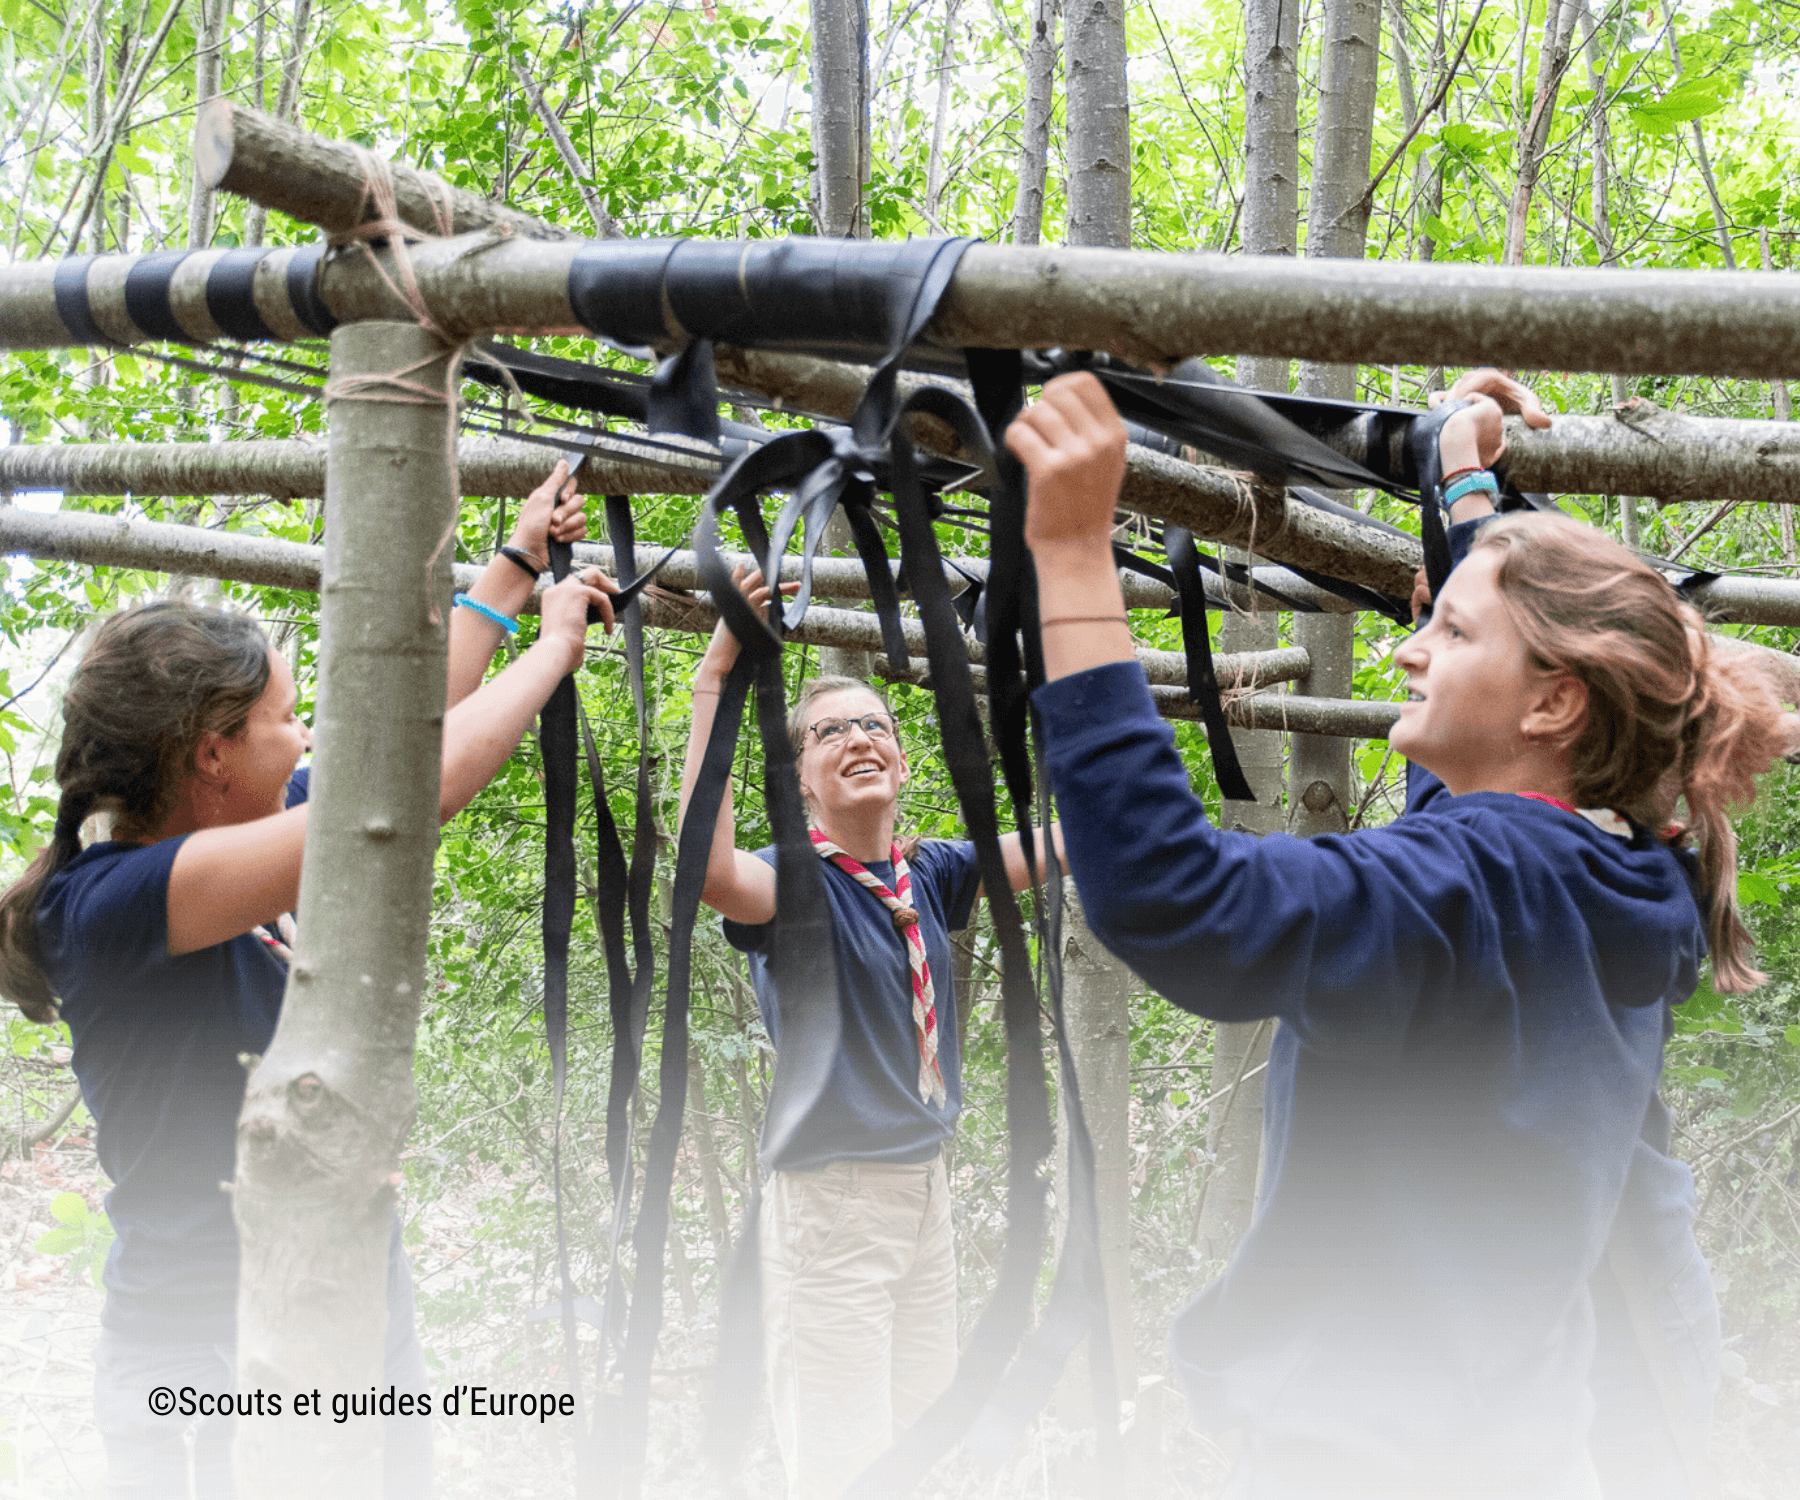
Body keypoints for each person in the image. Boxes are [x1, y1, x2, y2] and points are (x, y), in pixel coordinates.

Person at [1005, 371, 1793, 1499]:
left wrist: (1074, 558)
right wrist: (1463, 483)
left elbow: (1178, 898)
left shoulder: (1471, 882)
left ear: (1553, 704)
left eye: (1449, 628)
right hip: (1517, 1435)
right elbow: (1493, 781)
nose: (1407, 648)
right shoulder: (1621, 866)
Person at [0, 462, 616, 1500]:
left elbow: (395, 734)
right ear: (211, 753)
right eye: (286, 719)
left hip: (350, 1294)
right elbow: (406, 791)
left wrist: (510, 571)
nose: (306, 737)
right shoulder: (115, 905)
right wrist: (553, 648)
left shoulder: (241, 831)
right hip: (213, 1345)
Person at [678, 570, 1064, 1500]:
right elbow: (707, 866)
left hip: (923, 1192)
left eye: (875, 726)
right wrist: (716, 674)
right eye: (829, 731)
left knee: (920, 1451)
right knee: (843, 1463)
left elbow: (1067, 843)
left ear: (900, 758)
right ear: (800, 776)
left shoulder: (927, 873)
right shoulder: (794, 879)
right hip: (831, 1204)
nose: (857, 738)